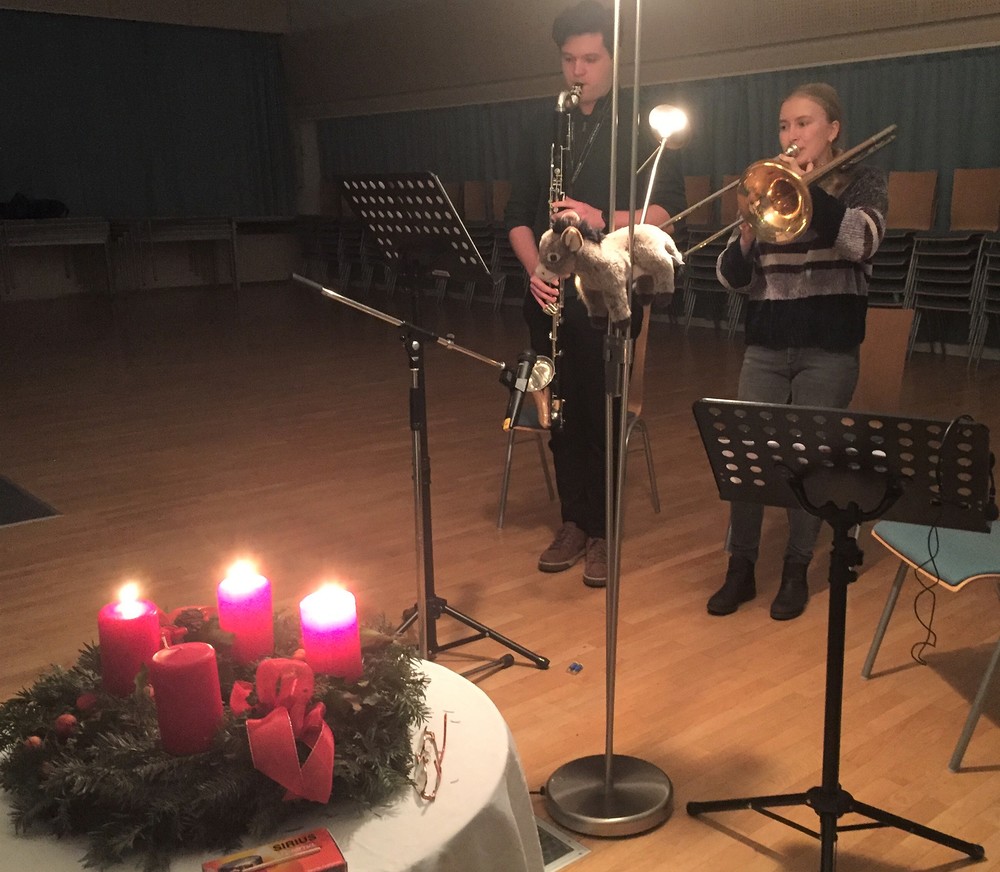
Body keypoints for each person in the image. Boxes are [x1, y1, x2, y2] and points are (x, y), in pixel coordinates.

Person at [505, 0, 686, 588]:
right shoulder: (543, 125)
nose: (578, 71)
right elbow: (517, 214)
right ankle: (573, 520)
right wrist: (536, 269)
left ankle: (604, 529)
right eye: (568, 60)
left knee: (603, 411)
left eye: (590, 58)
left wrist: (599, 216)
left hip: (608, 296)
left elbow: (666, 212)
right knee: (559, 413)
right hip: (550, 294)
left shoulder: (640, 122)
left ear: (614, 58)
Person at [708, 82, 888, 620]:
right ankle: (740, 567)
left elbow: (861, 242)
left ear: (832, 129)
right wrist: (746, 234)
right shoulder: (768, 185)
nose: (791, 134)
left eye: (803, 123)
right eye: (784, 125)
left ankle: (795, 568)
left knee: (810, 460)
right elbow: (732, 278)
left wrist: (809, 191)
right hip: (767, 344)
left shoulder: (863, 182)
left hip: (828, 348)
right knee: (747, 455)